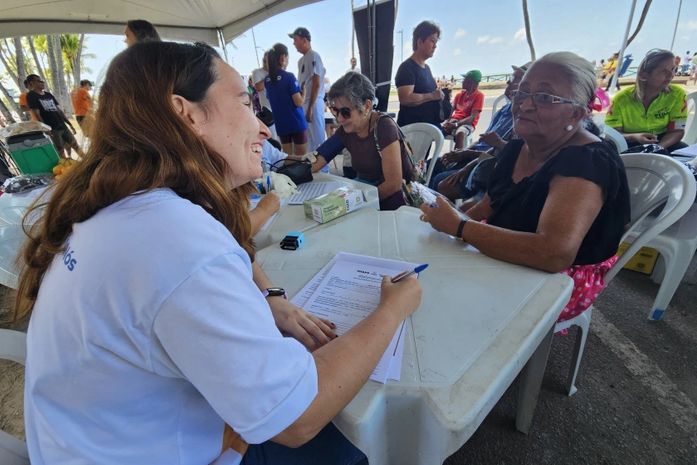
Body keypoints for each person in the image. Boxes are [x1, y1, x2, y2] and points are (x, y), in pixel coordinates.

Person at [18, 41, 421, 465]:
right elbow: (297, 418)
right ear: (186, 113)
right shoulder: (176, 239)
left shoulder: (122, 209)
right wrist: (393, 311)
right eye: (246, 104)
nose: (264, 129)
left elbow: (218, 256)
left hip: (88, 443)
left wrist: (271, 299)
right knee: (351, 448)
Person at [420, 51, 630, 325]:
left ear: (577, 112)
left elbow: (554, 254)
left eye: (544, 97)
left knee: (450, 300)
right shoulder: (518, 148)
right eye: (521, 93)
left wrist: (460, 228)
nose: (524, 105)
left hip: (563, 278)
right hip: (512, 246)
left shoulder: (587, 160)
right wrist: (447, 221)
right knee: (429, 271)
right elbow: (487, 207)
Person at [309, 72, 416, 210]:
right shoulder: (347, 129)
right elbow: (317, 160)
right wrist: (285, 168)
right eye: (335, 111)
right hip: (365, 191)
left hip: (391, 201)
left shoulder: (384, 127)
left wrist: (356, 202)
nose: (339, 119)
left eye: (345, 112)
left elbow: (393, 184)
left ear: (366, 106)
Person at [429, 63, 529, 200]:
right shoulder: (504, 111)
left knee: (441, 181)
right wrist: (462, 153)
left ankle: (437, 213)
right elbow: (483, 139)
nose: (507, 81)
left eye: (514, 78)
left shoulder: (522, 118)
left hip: (486, 163)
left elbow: (501, 155)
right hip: (475, 155)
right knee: (433, 165)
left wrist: (466, 155)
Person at [605, 49, 688, 153]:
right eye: (663, 71)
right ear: (644, 75)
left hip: (663, 141)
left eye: (673, 69)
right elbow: (611, 134)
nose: (671, 75)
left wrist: (658, 148)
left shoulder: (677, 94)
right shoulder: (621, 99)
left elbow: (677, 131)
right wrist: (635, 137)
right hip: (628, 143)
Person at [395, 20, 444, 127]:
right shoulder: (407, 68)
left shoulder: (427, 68)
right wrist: (432, 96)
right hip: (413, 132)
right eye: (432, 41)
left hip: (428, 130)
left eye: (436, 43)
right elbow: (405, 99)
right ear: (420, 42)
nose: (435, 46)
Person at [25, 74, 85, 159]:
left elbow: (58, 110)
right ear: (31, 83)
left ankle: (87, 161)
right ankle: (66, 167)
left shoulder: (48, 95)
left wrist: (69, 123)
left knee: (75, 145)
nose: (42, 82)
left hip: (62, 126)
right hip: (53, 129)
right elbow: (37, 114)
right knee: (60, 150)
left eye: (42, 80)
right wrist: (46, 129)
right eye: (38, 81)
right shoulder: (31, 96)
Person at [265, 43, 308, 155]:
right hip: (296, 122)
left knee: (288, 158)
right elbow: (298, 102)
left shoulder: (267, 80)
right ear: (283, 57)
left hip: (281, 124)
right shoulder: (289, 77)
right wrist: (304, 93)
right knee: (301, 159)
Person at [289, 27, 327, 151]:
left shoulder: (314, 56)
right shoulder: (301, 61)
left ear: (304, 40)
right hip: (304, 103)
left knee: (318, 138)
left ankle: (324, 169)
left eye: (295, 39)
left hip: (314, 103)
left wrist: (310, 107)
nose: (293, 43)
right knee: (309, 139)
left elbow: (316, 82)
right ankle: (313, 167)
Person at [441, 69, 484, 149]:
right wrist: (447, 122)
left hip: (467, 124)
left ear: (474, 83)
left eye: (466, 80)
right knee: (436, 131)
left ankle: (456, 159)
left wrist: (456, 124)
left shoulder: (479, 96)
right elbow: (451, 112)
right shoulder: (459, 95)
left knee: (460, 133)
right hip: (454, 122)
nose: (463, 82)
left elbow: (472, 118)